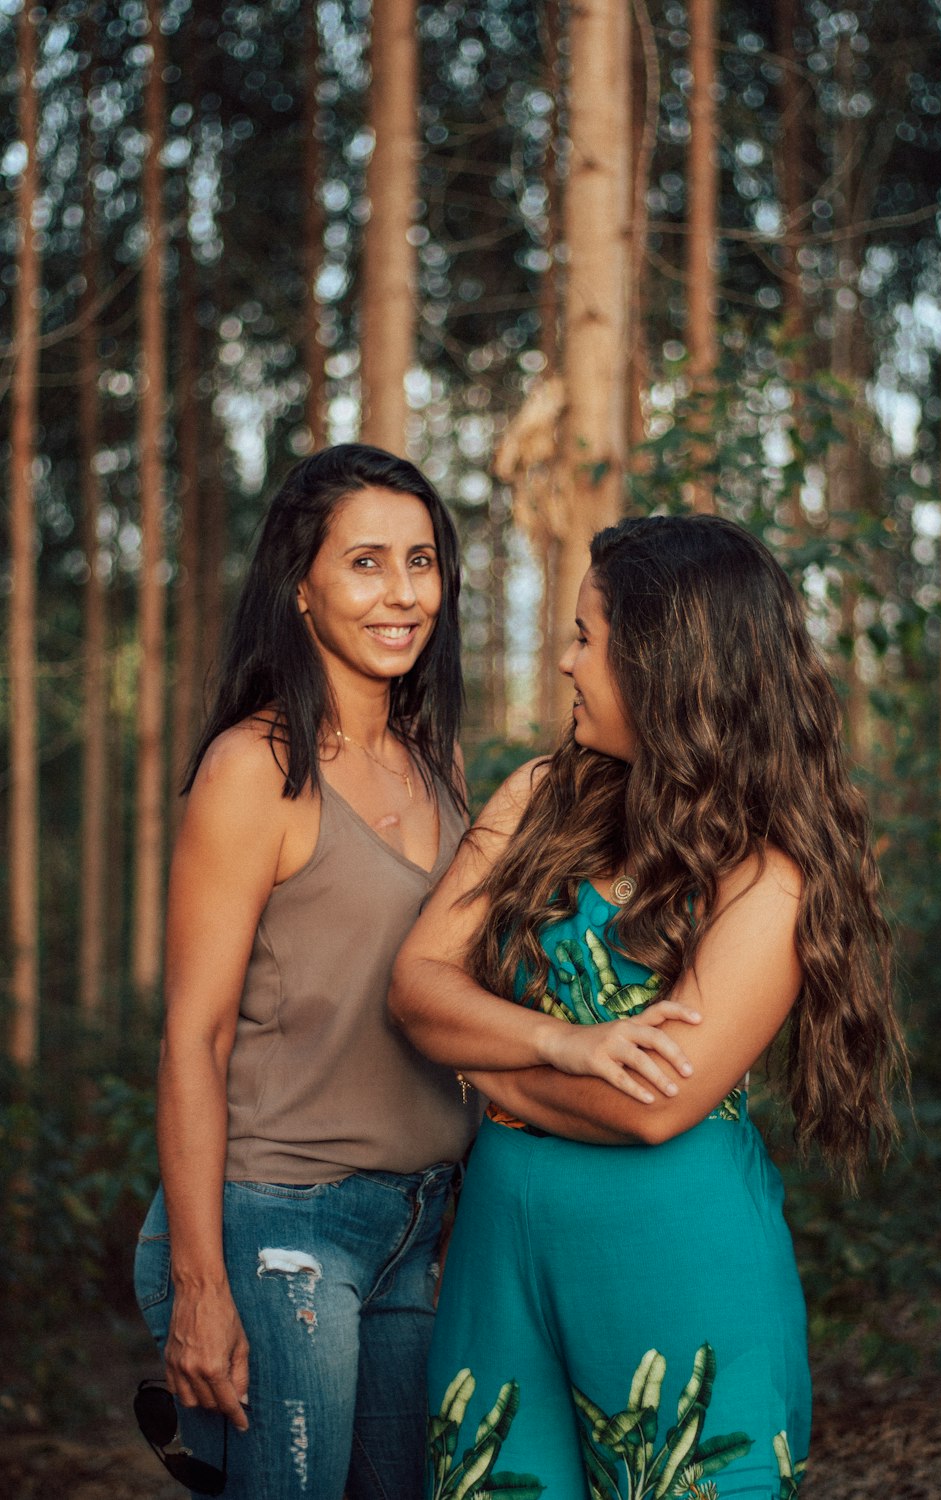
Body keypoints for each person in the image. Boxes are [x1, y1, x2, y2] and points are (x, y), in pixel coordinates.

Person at [390, 514, 905, 1500]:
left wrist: (480, 1064)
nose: (567, 661)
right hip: (498, 1257)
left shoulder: (771, 872)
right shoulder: (538, 794)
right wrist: (562, 1044)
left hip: (677, 1259)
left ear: (663, 665)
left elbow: (653, 1105)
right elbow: (415, 985)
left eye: (586, 637)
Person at [133, 443, 480, 1500]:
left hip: (413, 1227)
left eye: (420, 562)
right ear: (301, 586)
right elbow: (195, 1035)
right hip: (280, 1223)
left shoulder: (437, 765)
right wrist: (200, 1288)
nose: (403, 593)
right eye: (367, 562)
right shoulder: (255, 769)